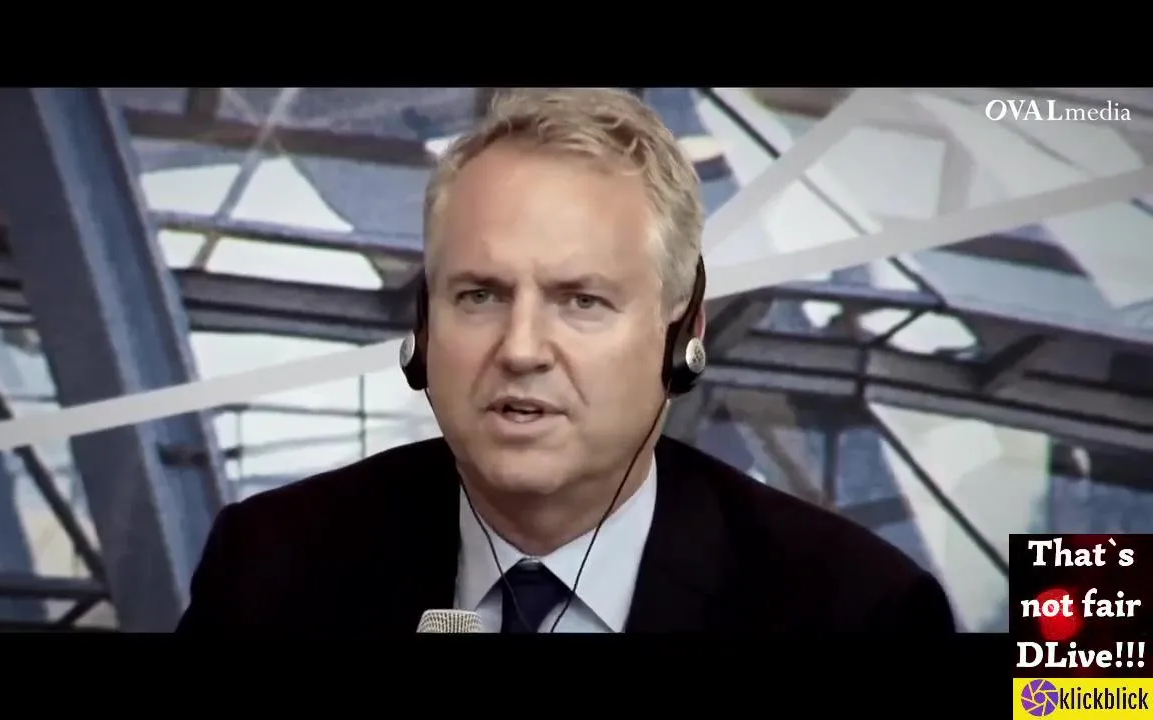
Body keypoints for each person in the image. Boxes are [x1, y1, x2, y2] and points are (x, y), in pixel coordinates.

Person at [175, 88, 956, 634]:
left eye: (581, 300)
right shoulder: (269, 566)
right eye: (479, 295)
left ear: (682, 335)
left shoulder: (859, 610)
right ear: (423, 326)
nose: (520, 349)